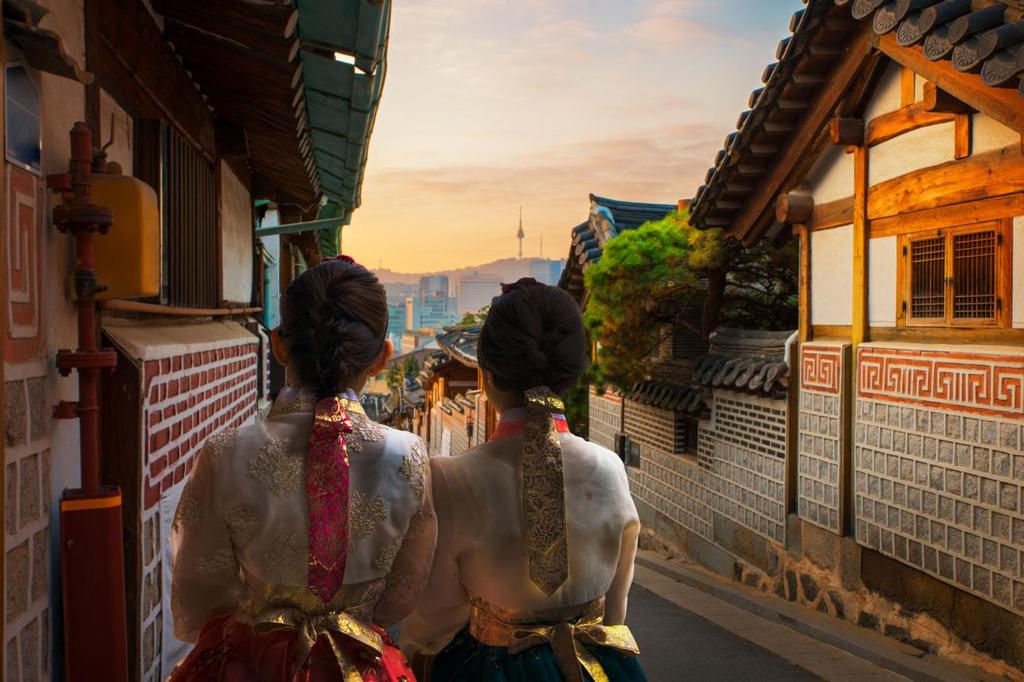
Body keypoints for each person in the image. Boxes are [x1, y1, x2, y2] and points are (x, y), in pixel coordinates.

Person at [169, 256, 436, 681]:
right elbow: (402, 594)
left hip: (250, 664)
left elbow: (200, 591)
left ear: (278, 345)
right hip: (360, 663)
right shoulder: (409, 455)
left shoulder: (226, 453)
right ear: (382, 357)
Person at [402, 279, 646, 682]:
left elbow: (435, 617)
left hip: (492, 668)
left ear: (488, 375)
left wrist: (417, 649)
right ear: (571, 373)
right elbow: (615, 607)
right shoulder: (610, 467)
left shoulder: (449, 478)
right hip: (596, 665)